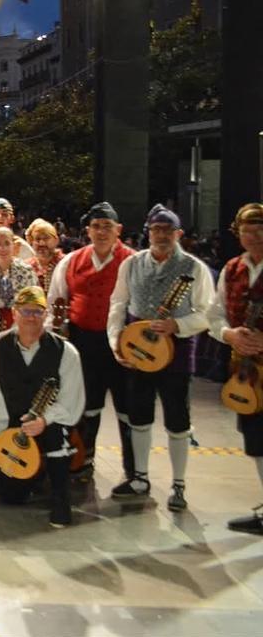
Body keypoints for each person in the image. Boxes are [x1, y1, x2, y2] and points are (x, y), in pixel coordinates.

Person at [107, 204, 215, 510]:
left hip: (177, 350)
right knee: (139, 415)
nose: (162, 235)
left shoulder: (194, 268)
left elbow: (208, 313)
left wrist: (178, 325)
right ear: (148, 231)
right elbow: (118, 303)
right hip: (138, 347)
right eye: (156, 229)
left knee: (177, 419)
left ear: (178, 233)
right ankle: (140, 477)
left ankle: (178, 484)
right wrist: (116, 340)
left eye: (168, 230)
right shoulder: (132, 264)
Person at [0, 286, 83, 528]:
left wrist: (44, 421)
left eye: (37, 312)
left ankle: (60, 499)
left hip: (46, 422)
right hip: (8, 421)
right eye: (26, 311)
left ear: (46, 314)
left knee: (56, 435)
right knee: (12, 496)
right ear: (15, 313)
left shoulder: (66, 351)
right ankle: (2, 476)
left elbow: (71, 400)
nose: (31, 318)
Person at [47, 201, 135, 483]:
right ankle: (84, 462)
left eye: (107, 226)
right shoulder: (71, 262)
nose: (101, 232)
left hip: (124, 345)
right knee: (87, 407)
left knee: (127, 408)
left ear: (118, 230)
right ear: (87, 230)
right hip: (84, 344)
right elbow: (55, 302)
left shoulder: (133, 261)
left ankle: (134, 470)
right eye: (96, 226)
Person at [208, 203, 263, 534]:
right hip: (244, 369)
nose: (254, 237)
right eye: (247, 231)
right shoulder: (231, 269)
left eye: (259, 231)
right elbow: (214, 316)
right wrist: (230, 334)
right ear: (237, 233)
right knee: (256, 439)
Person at [0, 228, 39, 338]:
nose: (3, 248)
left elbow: (35, 300)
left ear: (13, 246)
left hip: (24, 326)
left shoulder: (26, 271)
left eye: (7, 243)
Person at [27, 219, 64, 291]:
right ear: (32, 242)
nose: (42, 243)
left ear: (56, 240)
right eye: (37, 239)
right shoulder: (26, 267)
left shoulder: (67, 263)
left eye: (46, 238)